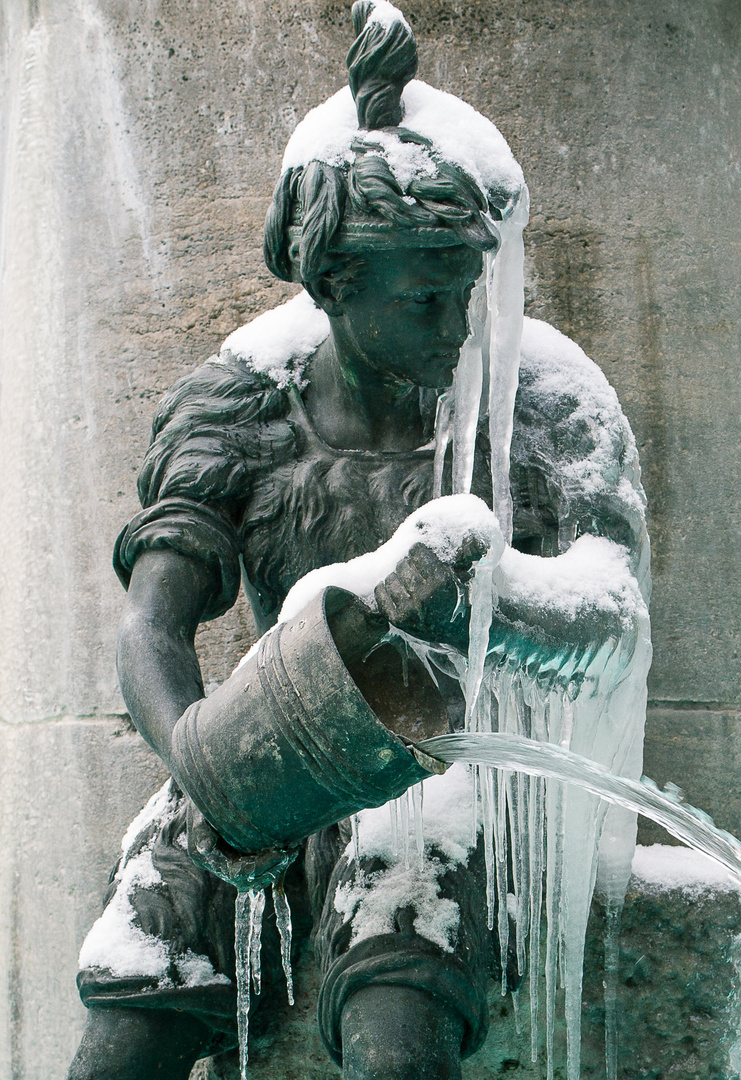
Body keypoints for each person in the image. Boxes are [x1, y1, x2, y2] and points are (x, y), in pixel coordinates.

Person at [67, 5, 646, 1079]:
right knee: (135, 976)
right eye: (426, 300)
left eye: (468, 293)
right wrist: (198, 757)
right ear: (334, 287)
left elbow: (611, 605)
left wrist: (479, 585)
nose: (458, 327)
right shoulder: (242, 405)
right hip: (270, 746)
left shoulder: (547, 396)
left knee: (401, 996)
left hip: (445, 768)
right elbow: (152, 622)